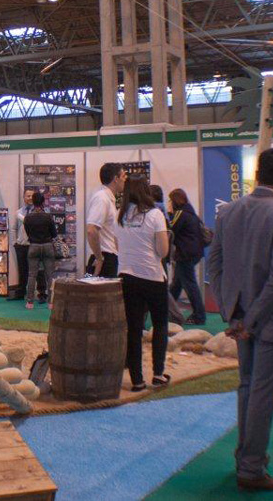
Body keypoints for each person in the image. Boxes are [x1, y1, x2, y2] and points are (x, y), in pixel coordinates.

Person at [206, 148, 273, 492]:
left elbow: (214, 265)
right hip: (271, 320)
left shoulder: (228, 212)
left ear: (257, 173)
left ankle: (246, 458)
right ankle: (250, 467)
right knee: (262, 396)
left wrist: (233, 312)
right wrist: (251, 320)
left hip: (240, 317)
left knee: (248, 390)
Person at [117, 178, 171, 391]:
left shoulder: (119, 217)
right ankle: (158, 373)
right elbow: (163, 251)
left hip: (127, 276)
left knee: (134, 328)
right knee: (160, 325)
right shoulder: (155, 215)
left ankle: (137, 379)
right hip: (153, 276)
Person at [168, 188, 207, 325]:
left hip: (185, 254)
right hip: (194, 252)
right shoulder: (191, 212)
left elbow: (170, 228)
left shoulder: (180, 213)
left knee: (190, 285)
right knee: (177, 284)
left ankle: (199, 315)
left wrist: (168, 213)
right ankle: (168, 309)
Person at [86, 163, 125, 277]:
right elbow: (91, 230)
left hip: (109, 256)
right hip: (105, 258)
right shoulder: (102, 198)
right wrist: (99, 259)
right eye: (123, 176)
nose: (125, 180)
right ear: (115, 179)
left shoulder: (108, 198)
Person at [22, 191, 58, 310]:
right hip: (47, 246)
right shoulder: (48, 217)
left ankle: (30, 302)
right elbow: (54, 234)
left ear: (33, 201)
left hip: (33, 246)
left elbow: (28, 233)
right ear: (43, 202)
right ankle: (51, 303)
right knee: (50, 276)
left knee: (32, 275)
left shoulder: (27, 218)